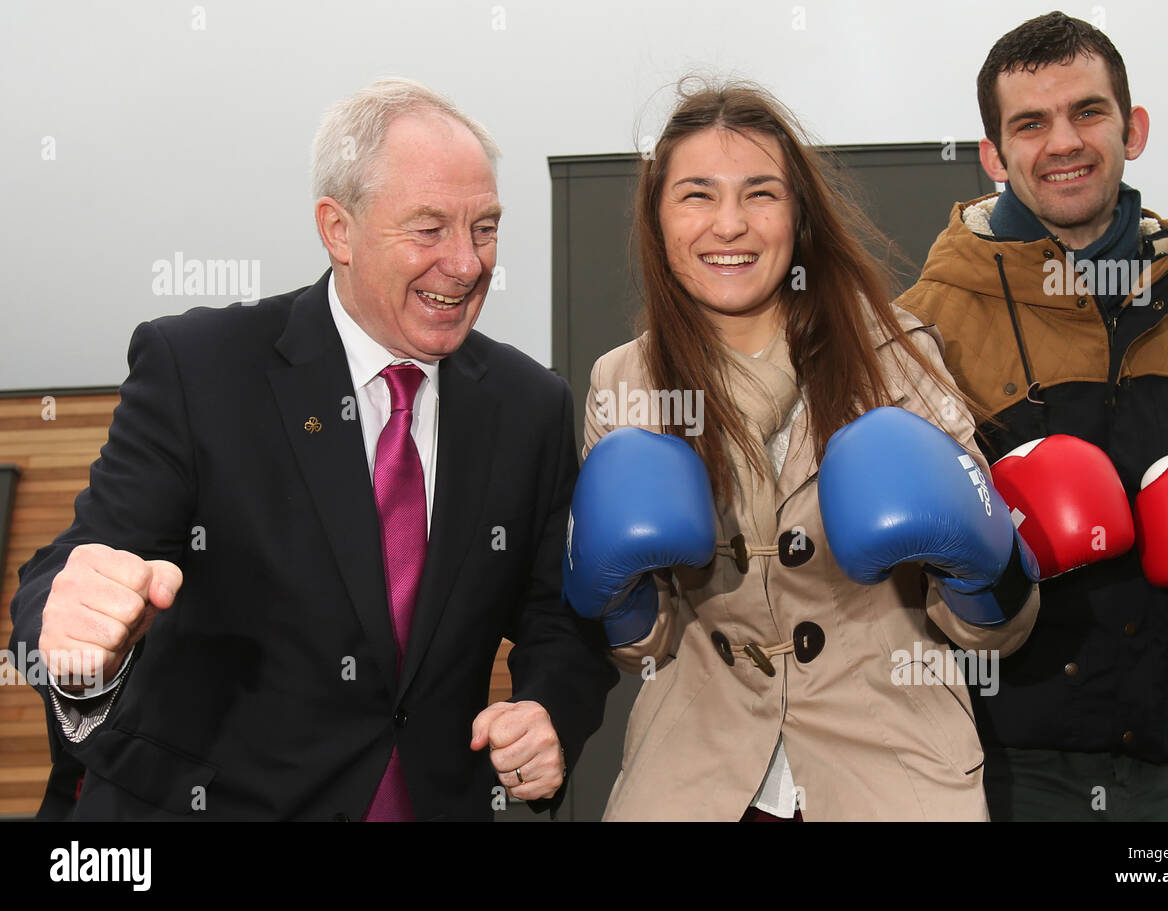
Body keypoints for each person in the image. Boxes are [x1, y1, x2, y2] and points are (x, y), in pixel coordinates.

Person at [8, 77, 616, 820]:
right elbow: (84, 562)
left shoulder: (531, 405)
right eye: (429, 230)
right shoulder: (200, 367)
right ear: (338, 229)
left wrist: (547, 708)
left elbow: (561, 617)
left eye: (484, 228)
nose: (466, 263)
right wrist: (72, 641)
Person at [563, 81, 1043, 821]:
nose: (730, 224)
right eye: (696, 195)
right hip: (699, 778)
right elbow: (646, 649)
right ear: (659, 219)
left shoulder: (895, 354)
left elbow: (997, 630)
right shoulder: (624, 380)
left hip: (891, 770)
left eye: (760, 193)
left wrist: (981, 562)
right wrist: (623, 606)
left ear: (798, 216)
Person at [897, 12, 1168, 820]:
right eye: (1030, 124)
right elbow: (881, 559)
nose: (1063, 142)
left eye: (1088, 112)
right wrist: (1004, 541)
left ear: (1132, 128)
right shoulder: (919, 325)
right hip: (993, 769)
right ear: (994, 155)